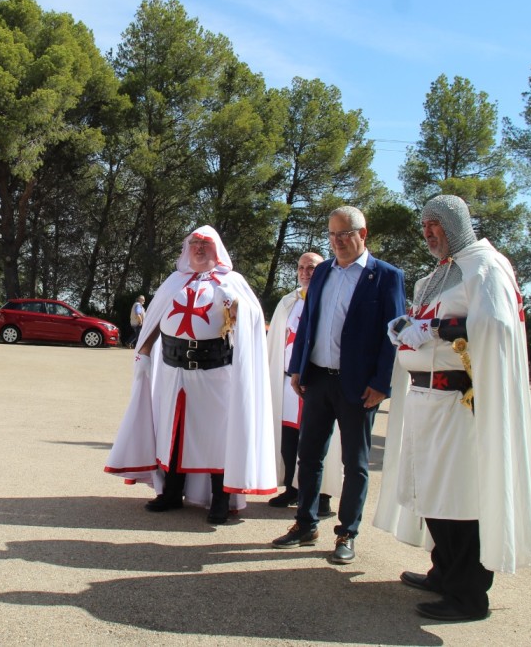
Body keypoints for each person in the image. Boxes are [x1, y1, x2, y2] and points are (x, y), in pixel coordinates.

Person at [374, 194, 531, 621]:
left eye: (435, 224)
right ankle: (444, 572)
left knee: (459, 500)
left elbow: (494, 325)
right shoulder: (440, 275)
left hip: (459, 403)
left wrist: (434, 328)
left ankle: (469, 596)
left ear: (456, 223)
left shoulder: (485, 266)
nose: (429, 233)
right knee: (432, 495)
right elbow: (427, 322)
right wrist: (406, 328)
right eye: (424, 226)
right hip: (427, 401)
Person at [105, 226, 277, 525]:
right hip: (173, 369)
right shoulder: (175, 282)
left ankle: (220, 501)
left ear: (217, 249)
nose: (199, 248)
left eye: (205, 244)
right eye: (194, 243)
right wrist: (144, 352)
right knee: (173, 430)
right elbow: (156, 320)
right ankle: (171, 493)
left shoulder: (232, 282)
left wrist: (235, 304)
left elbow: (250, 323)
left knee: (217, 437)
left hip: (215, 371)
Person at [272, 206, 405, 565]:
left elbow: (392, 336)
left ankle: (347, 532)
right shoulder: (323, 272)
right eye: (332, 235)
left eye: (345, 234)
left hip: (359, 388)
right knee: (309, 456)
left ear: (364, 234)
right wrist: (297, 368)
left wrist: (382, 384)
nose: (338, 242)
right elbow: (309, 323)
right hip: (317, 379)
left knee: (355, 463)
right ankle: (305, 524)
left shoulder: (387, 277)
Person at [265, 252, 341, 519]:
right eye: (301, 267)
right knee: (289, 439)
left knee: (319, 441)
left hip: (318, 381)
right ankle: (292, 488)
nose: (306, 272)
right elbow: (276, 342)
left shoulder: (331, 299)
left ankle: (322, 495)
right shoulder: (288, 302)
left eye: (312, 267)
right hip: (287, 381)